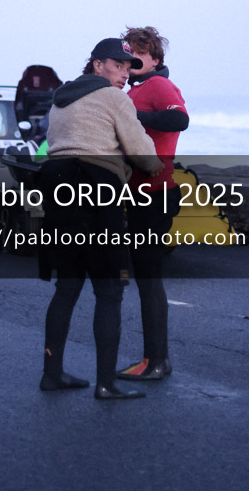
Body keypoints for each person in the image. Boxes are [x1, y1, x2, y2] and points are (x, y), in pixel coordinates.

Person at [39, 37, 164, 401]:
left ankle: (52, 374)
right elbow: (140, 150)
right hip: (96, 192)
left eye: (128, 68)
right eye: (118, 66)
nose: (125, 74)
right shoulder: (113, 97)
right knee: (109, 291)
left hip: (59, 190)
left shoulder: (60, 98)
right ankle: (106, 384)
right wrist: (154, 164)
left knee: (67, 287)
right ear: (97, 65)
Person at [116, 26, 189, 381]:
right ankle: (154, 358)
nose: (132, 59)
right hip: (140, 194)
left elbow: (179, 119)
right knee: (144, 276)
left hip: (156, 194)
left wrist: (132, 117)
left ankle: (156, 361)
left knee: (148, 278)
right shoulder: (135, 89)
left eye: (140, 53)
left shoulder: (159, 85)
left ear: (156, 59)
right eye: (128, 52)